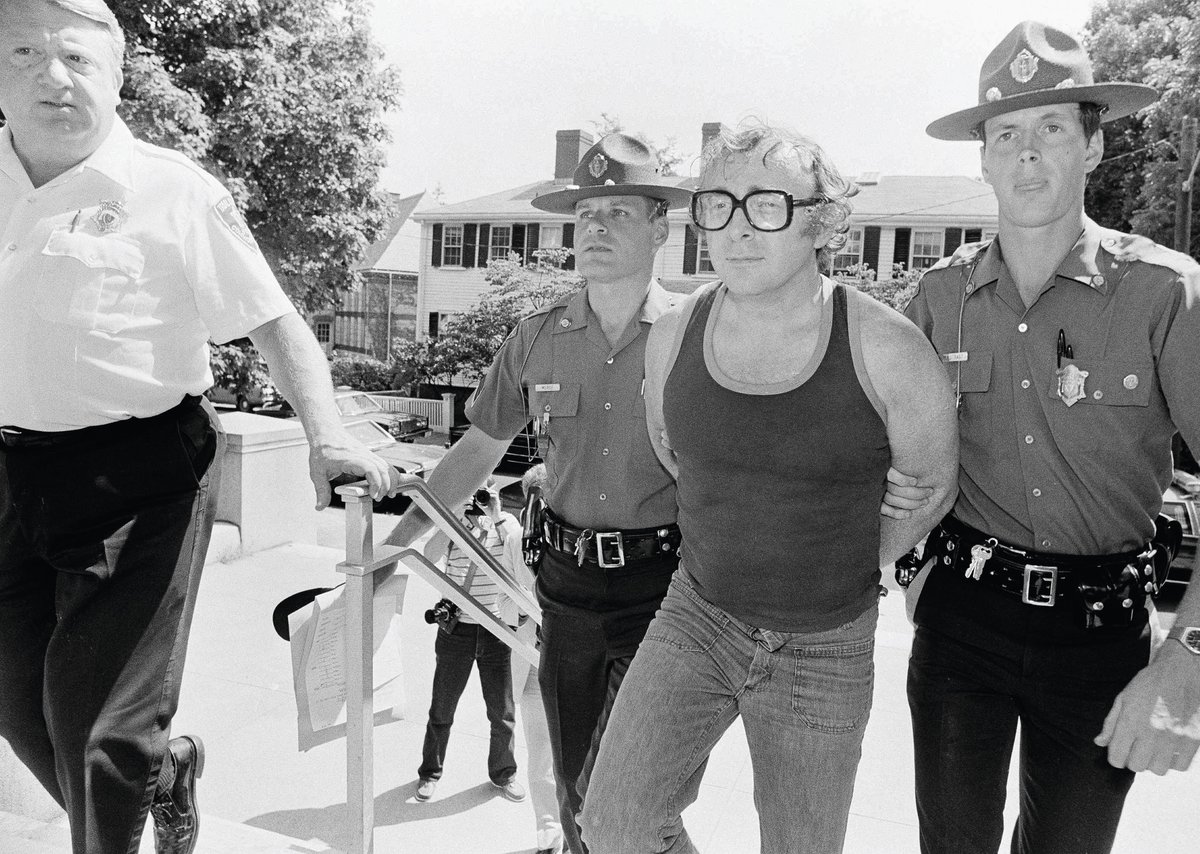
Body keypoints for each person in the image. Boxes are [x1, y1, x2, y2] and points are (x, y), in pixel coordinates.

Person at [0, 2, 395, 853]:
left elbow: (274, 322)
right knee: (19, 703)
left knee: (101, 734)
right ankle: (166, 770)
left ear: (116, 71)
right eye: (23, 53)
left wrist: (326, 432)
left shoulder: (173, 190)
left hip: (140, 479)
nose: (51, 76)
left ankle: (129, 786)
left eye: (74, 56)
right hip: (8, 469)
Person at [580, 121, 959, 854]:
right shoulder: (673, 335)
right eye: (718, 204)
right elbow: (676, 457)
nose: (737, 229)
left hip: (826, 644)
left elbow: (931, 484)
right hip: (696, 618)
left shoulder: (886, 346)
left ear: (819, 222)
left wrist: (837, 561)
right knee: (614, 824)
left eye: (767, 206)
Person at [898, 20, 1200, 854]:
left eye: (1053, 128)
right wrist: (906, 568)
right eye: (1007, 135)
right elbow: (879, 455)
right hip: (963, 622)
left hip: (1099, 640)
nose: (1026, 154)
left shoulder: (1164, 295)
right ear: (984, 158)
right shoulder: (938, 296)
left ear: (1094, 148)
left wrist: (1185, 666)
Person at [387, 132, 691, 853]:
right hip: (567, 590)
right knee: (581, 795)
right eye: (586, 214)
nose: (596, 228)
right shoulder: (537, 338)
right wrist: (391, 552)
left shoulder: (699, 334)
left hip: (669, 589)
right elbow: (476, 453)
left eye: (619, 213)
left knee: (635, 795)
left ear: (661, 229)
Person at [416, 477, 527, 805]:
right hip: (456, 630)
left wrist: (496, 516)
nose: (477, 494)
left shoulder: (506, 522)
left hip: (495, 629)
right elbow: (429, 553)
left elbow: (520, 560)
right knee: (442, 707)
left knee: (502, 711)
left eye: (484, 486)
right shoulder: (453, 523)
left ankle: (504, 773)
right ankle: (430, 772)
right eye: (473, 488)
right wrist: (451, 516)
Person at [499, 463, 562, 854]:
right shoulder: (515, 543)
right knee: (540, 762)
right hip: (532, 665)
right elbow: (503, 604)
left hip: (572, 667)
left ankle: (580, 832)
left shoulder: (575, 540)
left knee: (578, 758)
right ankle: (548, 834)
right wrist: (524, 608)